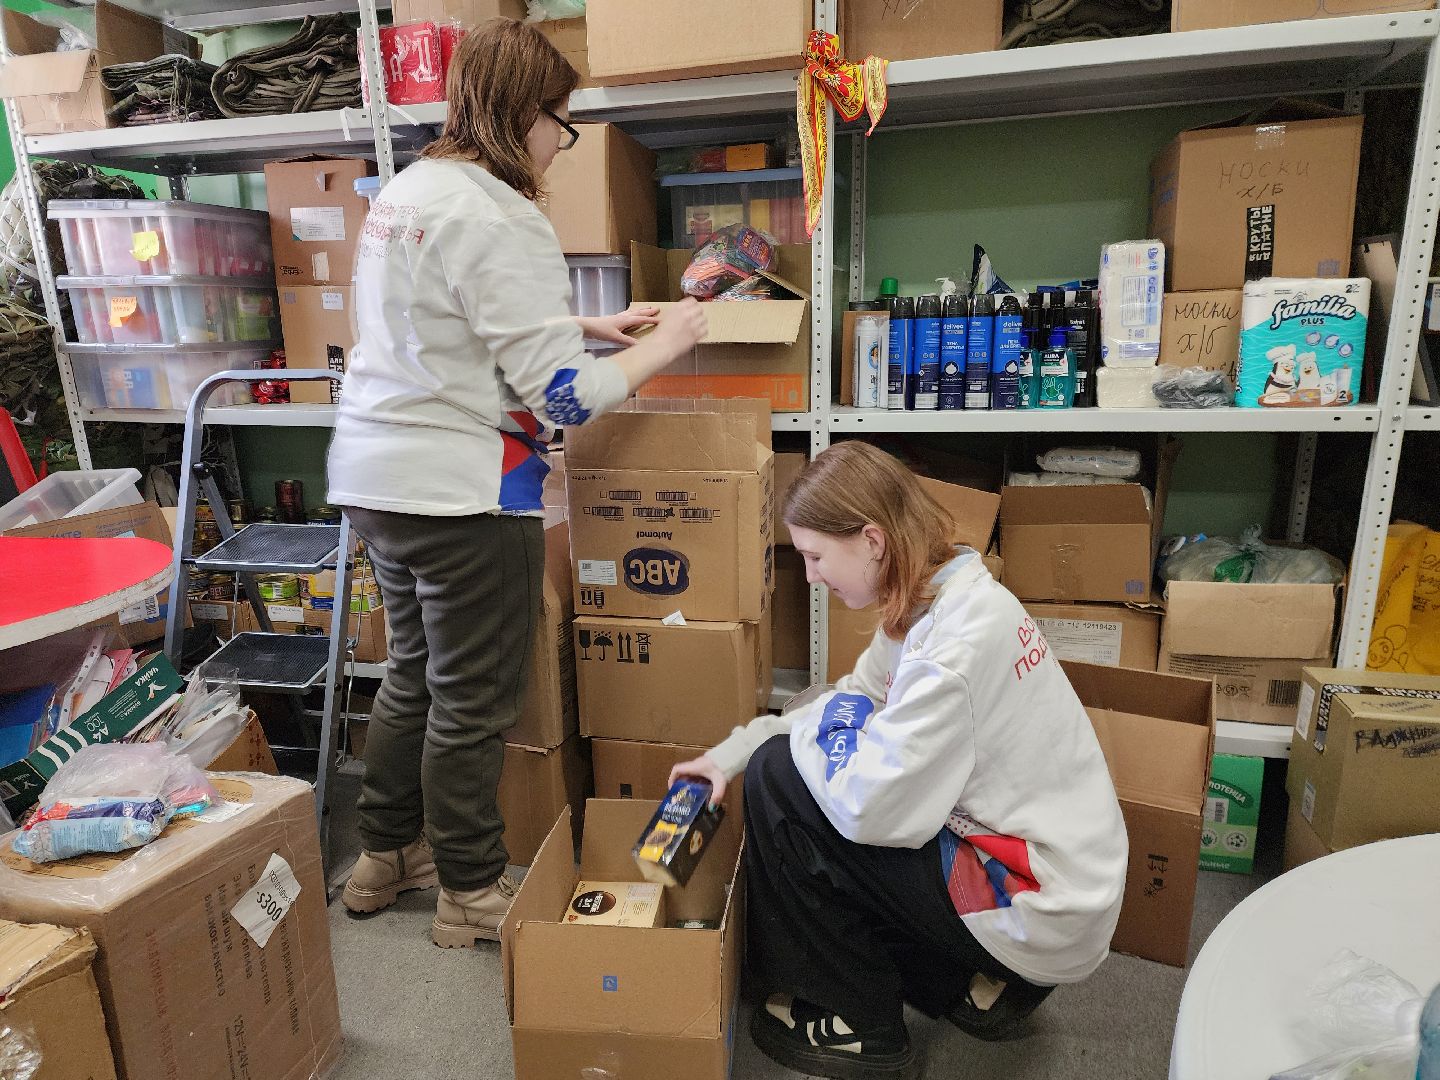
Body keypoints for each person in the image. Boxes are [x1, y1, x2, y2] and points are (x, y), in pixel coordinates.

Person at [327, 19, 707, 948]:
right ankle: (466, 890)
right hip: (460, 490)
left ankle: (385, 854)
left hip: (376, 475)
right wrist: (670, 340)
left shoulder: (411, 189)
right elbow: (566, 403)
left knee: (412, 674)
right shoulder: (504, 213)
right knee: (473, 699)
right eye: (560, 124)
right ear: (524, 113)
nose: (558, 144)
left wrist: (590, 322)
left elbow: (453, 325)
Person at [671, 442, 1128, 1080]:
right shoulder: (945, 590)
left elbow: (870, 812)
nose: (810, 576)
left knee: (782, 781)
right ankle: (975, 979)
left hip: (1044, 902)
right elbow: (855, 696)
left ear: (871, 539)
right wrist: (729, 754)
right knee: (788, 753)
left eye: (814, 556)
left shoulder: (948, 653)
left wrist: (779, 750)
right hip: (1064, 871)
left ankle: (859, 1024)